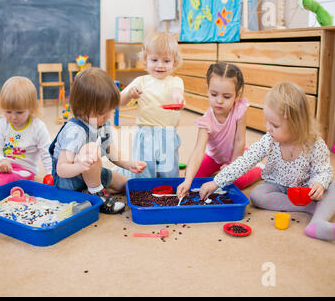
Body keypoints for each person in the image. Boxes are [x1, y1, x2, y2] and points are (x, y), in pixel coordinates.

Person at [199, 82, 335, 241]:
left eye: (275, 125)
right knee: (257, 195)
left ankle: (318, 222)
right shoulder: (269, 140)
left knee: (332, 185)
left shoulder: (314, 144)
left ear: (297, 125)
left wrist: (318, 183)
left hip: (305, 189)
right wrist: (216, 182)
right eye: (267, 122)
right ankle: (311, 208)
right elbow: (245, 161)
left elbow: (324, 170)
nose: (268, 128)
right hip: (276, 185)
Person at [50, 67, 147, 214]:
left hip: (90, 173)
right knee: (91, 150)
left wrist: (128, 164)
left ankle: (91, 189)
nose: (108, 115)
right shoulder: (75, 131)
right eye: (102, 112)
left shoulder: (102, 121)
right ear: (82, 109)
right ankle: (97, 195)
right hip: (68, 180)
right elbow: (62, 169)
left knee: (125, 185)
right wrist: (81, 166)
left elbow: (110, 151)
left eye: (110, 110)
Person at [177, 62, 264, 198]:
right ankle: (219, 170)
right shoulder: (205, 121)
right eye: (214, 94)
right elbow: (198, 150)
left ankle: (258, 169)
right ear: (208, 90)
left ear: (237, 95)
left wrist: (233, 166)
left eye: (226, 96)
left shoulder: (240, 109)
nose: (219, 101)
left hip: (237, 154)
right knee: (190, 175)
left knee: (236, 182)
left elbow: (239, 140)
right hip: (214, 158)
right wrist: (187, 181)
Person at [114, 31, 186, 178]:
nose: (160, 65)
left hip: (168, 135)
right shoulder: (141, 81)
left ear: (174, 63)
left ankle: (167, 194)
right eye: (154, 60)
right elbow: (118, 102)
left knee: (169, 173)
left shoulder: (175, 81)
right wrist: (129, 94)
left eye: (166, 61)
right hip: (145, 134)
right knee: (144, 171)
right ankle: (142, 193)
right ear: (145, 61)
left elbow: (176, 92)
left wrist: (179, 97)